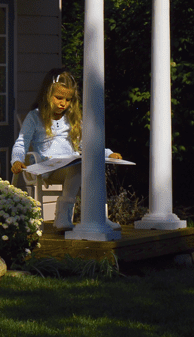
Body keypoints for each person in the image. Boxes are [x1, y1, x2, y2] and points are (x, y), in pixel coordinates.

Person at [12, 69, 122, 232]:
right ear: (47, 94)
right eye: (59, 97)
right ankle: (63, 215)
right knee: (78, 166)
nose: (63, 103)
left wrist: (107, 153)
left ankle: (100, 216)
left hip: (72, 165)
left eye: (68, 99)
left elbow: (87, 145)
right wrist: (17, 159)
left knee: (91, 167)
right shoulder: (35, 117)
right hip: (48, 167)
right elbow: (22, 142)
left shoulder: (72, 118)